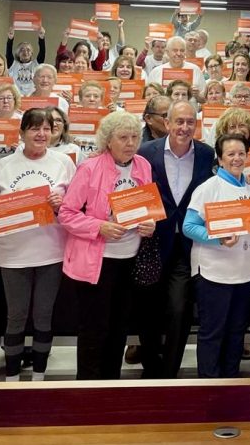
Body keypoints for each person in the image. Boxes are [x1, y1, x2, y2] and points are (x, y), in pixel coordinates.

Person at [57, 111, 152, 380]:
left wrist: (150, 224)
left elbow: (147, 208)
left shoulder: (143, 165)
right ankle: (87, 388)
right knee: (93, 328)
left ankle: (112, 384)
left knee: (119, 327)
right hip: (97, 261)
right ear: (108, 140)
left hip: (130, 258)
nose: (130, 143)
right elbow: (66, 213)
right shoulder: (90, 167)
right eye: (123, 137)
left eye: (134, 137)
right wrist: (99, 226)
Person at [136, 100, 216, 378]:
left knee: (180, 310)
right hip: (153, 242)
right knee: (148, 311)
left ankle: (169, 374)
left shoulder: (207, 154)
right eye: (179, 121)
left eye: (190, 122)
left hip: (187, 246)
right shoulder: (146, 152)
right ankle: (150, 368)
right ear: (167, 123)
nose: (184, 127)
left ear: (197, 125)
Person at [182, 133, 250, 378]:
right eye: (231, 154)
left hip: (244, 272)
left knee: (237, 331)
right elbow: (189, 226)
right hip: (214, 272)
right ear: (220, 159)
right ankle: (209, 385)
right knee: (213, 332)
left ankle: (230, 382)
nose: (237, 159)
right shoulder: (208, 188)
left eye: (241, 154)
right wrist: (217, 238)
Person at [6, 26, 47, 97]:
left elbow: (42, 52)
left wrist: (41, 38)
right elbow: (8, 53)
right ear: (17, 53)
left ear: (32, 53)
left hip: (33, 97)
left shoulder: (36, 64)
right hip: (16, 97)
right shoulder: (13, 65)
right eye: (22, 50)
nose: (25, 52)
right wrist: (10, 39)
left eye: (28, 50)